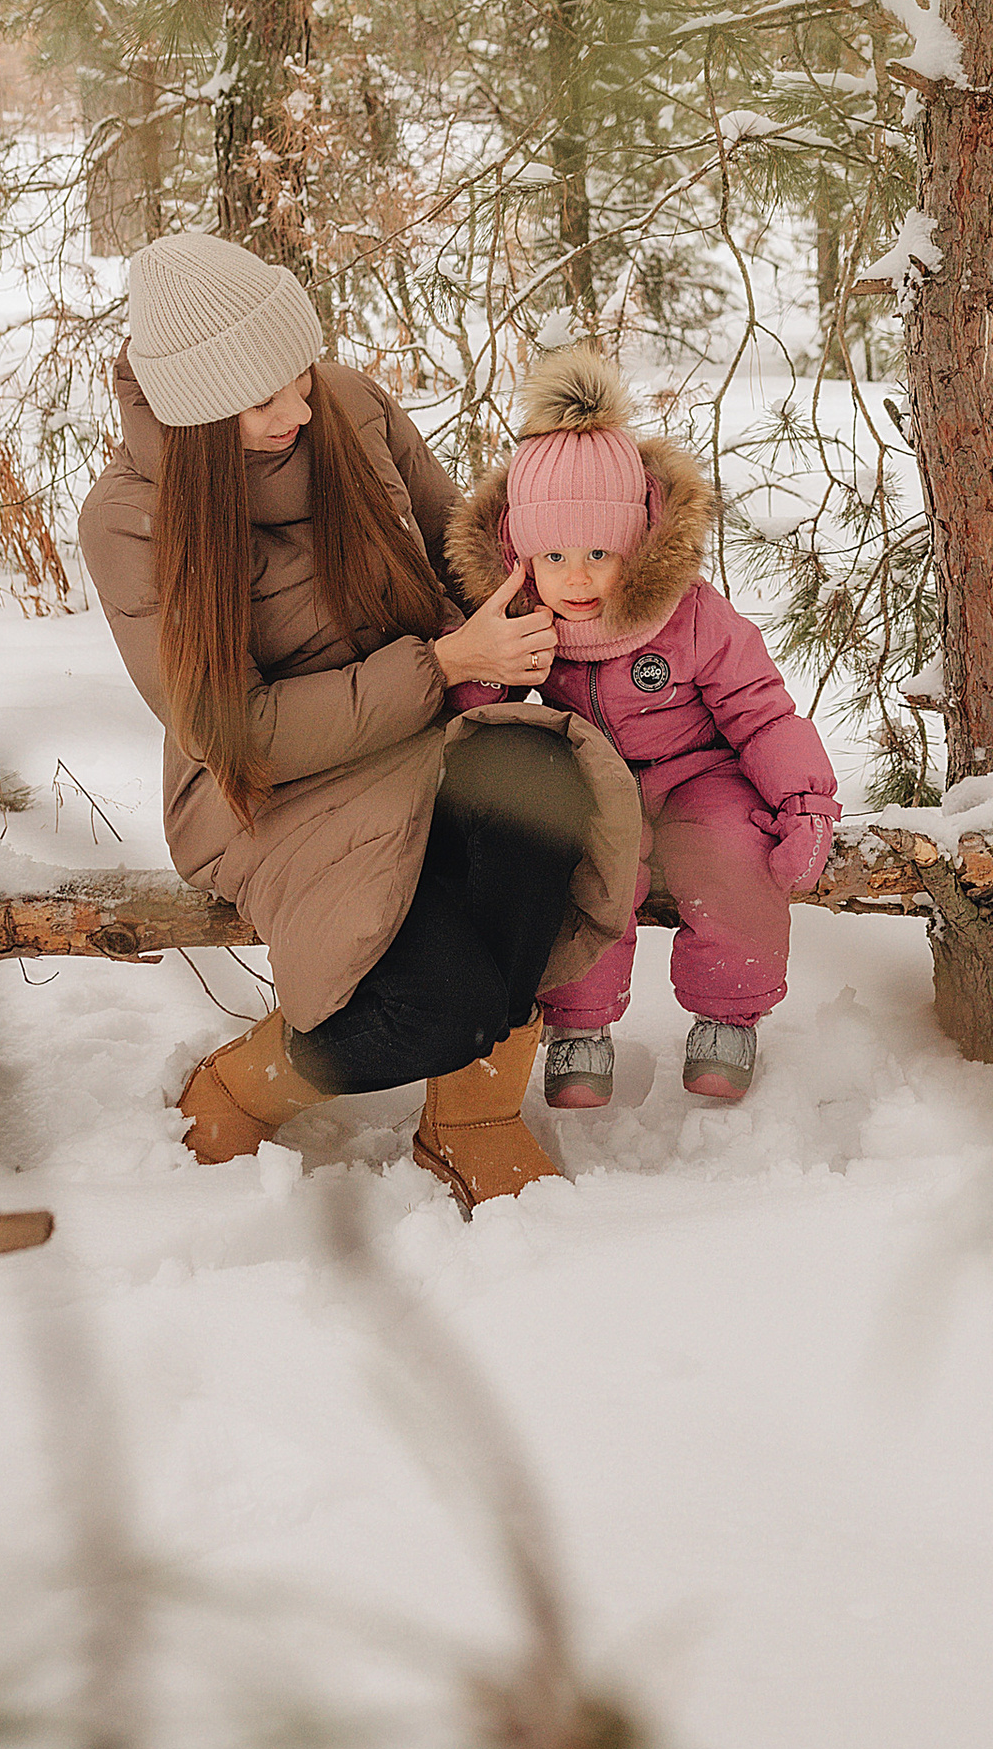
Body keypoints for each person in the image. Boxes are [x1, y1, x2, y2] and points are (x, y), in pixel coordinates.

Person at [77, 231, 643, 1211]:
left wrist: (579, 554)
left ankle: (473, 1116)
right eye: (261, 403)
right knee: (430, 1005)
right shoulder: (134, 515)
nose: (298, 409)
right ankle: (244, 1086)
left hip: (432, 733)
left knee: (544, 785)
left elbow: (465, 556)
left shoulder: (348, 405)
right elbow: (236, 732)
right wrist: (439, 664)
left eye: (298, 375)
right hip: (270, 791)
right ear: (200, 412)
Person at [446, 347, 838, 1108]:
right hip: (591, 783)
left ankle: (728, 1018)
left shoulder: (687, 613)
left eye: (601, 553)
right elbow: (479, 718)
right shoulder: (524, 619)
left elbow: (761, 710)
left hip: (701, 776)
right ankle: (580, 1027)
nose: (580, 577)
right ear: (519, 556)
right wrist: (488, 669)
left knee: (733, 855)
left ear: (642, 544)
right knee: (586, 874)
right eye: (554, 556)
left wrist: (807, 800)